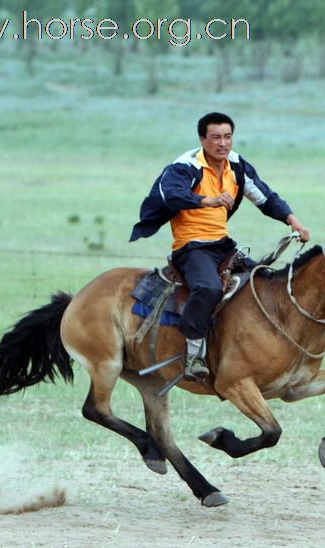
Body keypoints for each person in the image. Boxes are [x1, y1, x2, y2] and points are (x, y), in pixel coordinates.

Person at [129, 112, 310, 380]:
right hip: (191, 247)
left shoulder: (236, 165)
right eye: (215, 137)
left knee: (263, 282)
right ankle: (192, 355)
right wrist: (208, 201)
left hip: (223, 245)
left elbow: (265, 197)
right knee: (208, 288)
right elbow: (172, 194)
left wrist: (294, 222)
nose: (222, 143)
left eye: (227, 137)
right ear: (202, 139)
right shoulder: (184, 167)